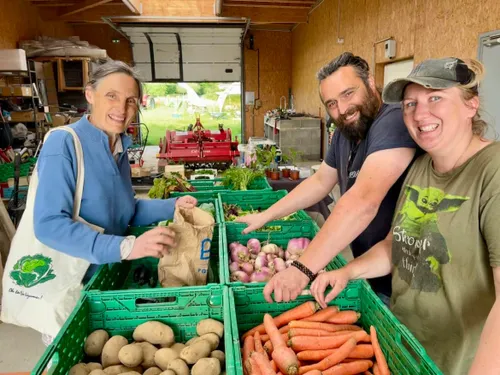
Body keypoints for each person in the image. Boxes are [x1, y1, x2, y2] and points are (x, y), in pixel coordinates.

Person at [310, 57, 500, 374]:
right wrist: (347, 272)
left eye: (435, 98)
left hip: (454, 363)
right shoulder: (421, 166)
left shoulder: (492, 173)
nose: (419, 113)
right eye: (411, 103)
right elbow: (395, 246)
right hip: (401, 344)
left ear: (471, 105)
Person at [6, 60, 197, 343]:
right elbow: (48, 225)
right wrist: (127, 246)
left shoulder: (116, 147)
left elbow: (124, 211)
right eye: (112, 96)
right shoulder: (64, 143)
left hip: (102, 282)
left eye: (130, 100)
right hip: (70, 288)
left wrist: (174, 205)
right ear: (89, 95)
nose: (121, 109)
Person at [236, 52, 418, 304]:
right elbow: (320, 182)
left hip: (406, 278)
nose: (342, 109)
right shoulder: (346, 131)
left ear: (371, 82)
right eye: (331, 103)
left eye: (348, 93)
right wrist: (267, 215)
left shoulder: (392, 122)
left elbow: (363, 202)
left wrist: (302, 269)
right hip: (373, 270)